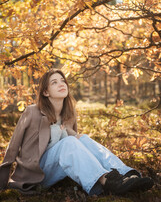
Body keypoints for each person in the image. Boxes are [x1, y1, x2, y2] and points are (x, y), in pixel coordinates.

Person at [0, 69, 154, 196]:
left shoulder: (69, 112)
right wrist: (4, 183)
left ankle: (125, 174)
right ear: (46, 92)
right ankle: (106, 181)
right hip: (36, 173)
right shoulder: (32, 112)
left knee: (83, 138)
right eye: (54, 82)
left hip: (57, 169)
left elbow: (79, 149)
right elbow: (12, 147)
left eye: (62, 81)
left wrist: (77, 137)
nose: (61, 84)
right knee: (69, 141)